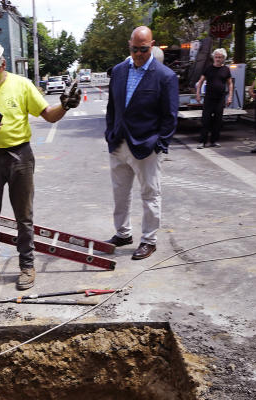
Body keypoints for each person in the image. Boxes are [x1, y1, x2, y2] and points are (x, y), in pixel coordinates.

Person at [0, 37, 81, 292]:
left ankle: (27, 266)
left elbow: (49, 116)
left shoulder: (22, 86)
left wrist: (65, 106)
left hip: (20, 157)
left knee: (23, 216)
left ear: (2, 64)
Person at [104, 26, 179, 261]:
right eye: (135, 49)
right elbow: (112, 108)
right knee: (120, 193)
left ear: (152, 45)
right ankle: (123, 234)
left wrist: (160, 144)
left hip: (146, 146)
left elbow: (170, 116)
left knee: (150, 194)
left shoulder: (165, 76)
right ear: (129, 45)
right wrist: (110, 133)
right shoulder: (118, 71)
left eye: (144, 49)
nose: (138, 54)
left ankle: (149, 240)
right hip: (119, 143)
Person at [194, 48, 233, 148]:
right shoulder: (208, 68)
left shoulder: (226, 69)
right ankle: (202, 141)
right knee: (205, 120)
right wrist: (197, 94)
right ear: (213, 58)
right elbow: (200, 81)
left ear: (223, 58)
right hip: (209, 98)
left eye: (220, 57)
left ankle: (214, 141)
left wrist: (230, 97)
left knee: (217, 120)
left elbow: (230, 83)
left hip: (220, 99)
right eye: (216, 57)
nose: (218, 59)